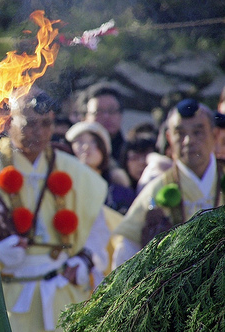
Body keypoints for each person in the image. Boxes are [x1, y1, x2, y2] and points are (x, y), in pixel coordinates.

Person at [0, 85, 110, 332]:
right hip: (10, 296)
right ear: (8, 122)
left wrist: (85, 260)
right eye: (30, 124)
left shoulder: (73, 169)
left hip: (63, 291)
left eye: (46, 124)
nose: (39, 132)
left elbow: (97, 227)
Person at [113, 98, 222, 268]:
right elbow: (125, 253)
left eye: (198, 132)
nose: (188, 141)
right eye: (180, 133)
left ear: (215, 135)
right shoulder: (155, 191)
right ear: (169, 138)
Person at [66, 121, 136, 215]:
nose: (86, 147)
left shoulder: (120, 193)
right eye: (79, 141)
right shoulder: (65, 190)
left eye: (94, 141)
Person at [83, 82, 125, 163]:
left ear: (120, 115)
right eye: (98, 112)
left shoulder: (130, 154)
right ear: (84, 117)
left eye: (112, 111)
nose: (106, 116)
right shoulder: (76, 152)